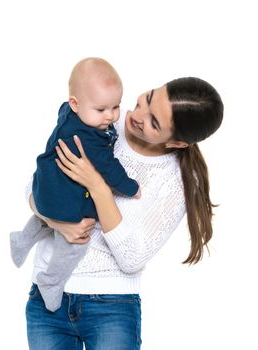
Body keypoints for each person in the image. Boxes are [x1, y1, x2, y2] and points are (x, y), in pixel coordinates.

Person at [25, 76, 223, 350]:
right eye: (149, 98)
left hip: (112, 307)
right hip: (47, 298)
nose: (139, 114)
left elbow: (132, 258)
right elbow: (33, 190)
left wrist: (98, 187)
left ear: (176, 143)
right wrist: (57, 223)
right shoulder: (98, 121)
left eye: (155, 123)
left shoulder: (177, 181)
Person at [10, 57, 140, 312]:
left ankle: (21, 241)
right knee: (75, 243)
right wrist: (131, 187)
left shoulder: (67, 113)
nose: (111, 116)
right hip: (64, 196)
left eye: (116, 106)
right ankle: (51, 280)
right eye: (101, 109)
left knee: (43, 216)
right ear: (75, 103)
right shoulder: (88, 139)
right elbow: (109, 168)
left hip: (44, 186)